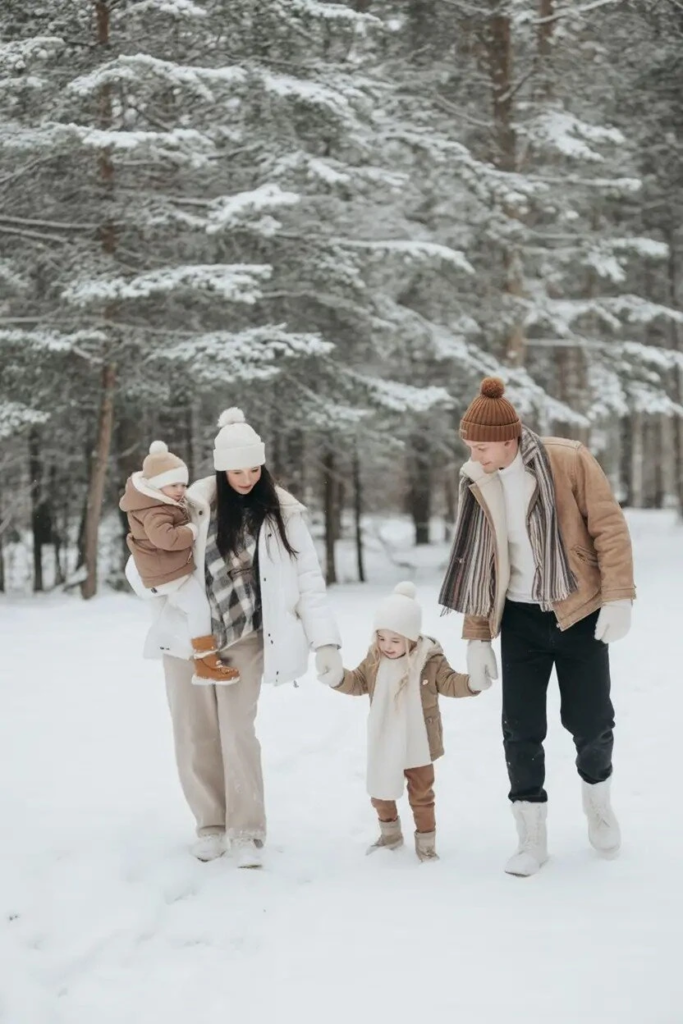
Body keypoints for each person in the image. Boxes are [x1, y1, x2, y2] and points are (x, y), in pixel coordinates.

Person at [126, 409, 342, 868]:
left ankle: (246, 830)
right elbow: (139, 558)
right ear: (220, 469)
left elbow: (308, 580)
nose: (245, 478)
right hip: (188, 637)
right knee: (192, 732)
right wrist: (151, 580)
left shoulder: (282, 512)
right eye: (235, 470)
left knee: (237, 731)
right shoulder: (189, 505)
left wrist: (326, 642)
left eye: (253, 468)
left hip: (244, 636)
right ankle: (209, 824)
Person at [439, 377, 636, 877]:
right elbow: (479, 562)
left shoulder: (566, 459)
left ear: (510, 438)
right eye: (470, 446)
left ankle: (597, 802)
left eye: (481, 446)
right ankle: (531, 835)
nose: (475, 454)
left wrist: (617, 597)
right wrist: (478, 636)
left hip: (578, 610)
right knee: (520, 730)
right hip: (520, 619)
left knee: (591, 724)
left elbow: (608, 526)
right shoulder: (478, 478)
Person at [325, 582, 483, 862]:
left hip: (417, 742)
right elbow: (358, 682)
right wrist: (337, 676)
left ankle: (426, 845)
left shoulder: (429, 660)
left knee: (421, 795)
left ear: (411, 637)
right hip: (385, 738)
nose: (387, 646)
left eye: (395, 640)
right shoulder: (375, 659)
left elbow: (450, 683)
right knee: (380, 792)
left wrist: (473, 682)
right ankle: (390, 835)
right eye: (382, 638)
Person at [120, 441, 238, 684]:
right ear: (157, 485)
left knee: (178, 611)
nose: (181, 490)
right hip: (167, 575)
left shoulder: (154, 503)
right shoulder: (155, 510)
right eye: (174, 484)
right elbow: (166, 538)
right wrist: (191, 531)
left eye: (183, 484)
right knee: (198, 608)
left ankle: (178, 649)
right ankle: (205, 663)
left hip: (162, 571)